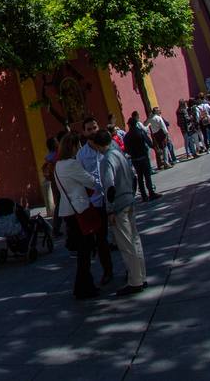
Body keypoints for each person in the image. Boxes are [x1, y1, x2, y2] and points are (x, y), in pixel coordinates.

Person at [90, 130, 147, 296]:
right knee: (135, 240)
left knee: (126, 244)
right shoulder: (119, 154)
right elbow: (133, 176)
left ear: (98, 144)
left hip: (119, 205)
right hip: (129, 200)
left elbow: (109, 186)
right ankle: (141, 276)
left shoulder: (106, 159)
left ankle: (135, 281)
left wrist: (110, 210)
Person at [53, 132, 102, 300]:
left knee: (83, 251)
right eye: (77, 145)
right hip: (79, 209)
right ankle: (83, 286)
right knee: (85, 251)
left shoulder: (58, 165)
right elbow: (90, 181)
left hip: (69, 210)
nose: (79, 148)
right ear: (72, 147)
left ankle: (82, 285)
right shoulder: (71, 165)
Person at [77, 117, 115, 286]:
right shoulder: (81, 155)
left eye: (94, 127)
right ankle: (108, 271)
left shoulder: (108, 146)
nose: (92, 131)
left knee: (122, 234)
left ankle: (132, 268)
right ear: (84, 133)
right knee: (101, 240)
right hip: (97, 202)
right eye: (89, 129)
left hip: (113, 199)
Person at [122, 113, 158, 201]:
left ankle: (144, 196)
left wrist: (132, 153)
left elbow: (126, 149)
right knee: (147, 176)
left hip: (135, 159)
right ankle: (151, 193)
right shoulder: (140, 132)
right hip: (143, 156)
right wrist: (154, 147)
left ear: (129, 125)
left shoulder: (127, 136)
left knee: (140, 177)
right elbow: (148, 142)